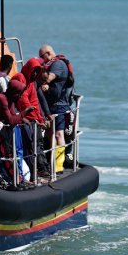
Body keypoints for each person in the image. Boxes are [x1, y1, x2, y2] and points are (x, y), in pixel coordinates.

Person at [38, 44, 72, 172]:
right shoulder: (51, 64)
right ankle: (50, 161)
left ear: (48, 53)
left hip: (59, 106)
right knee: (49, 133)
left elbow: (49, 78)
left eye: (42, 57)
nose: (42, 60)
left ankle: (58, 166)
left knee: (58, 134)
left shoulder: (58, 64)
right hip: (50, 106)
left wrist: (43, 82)